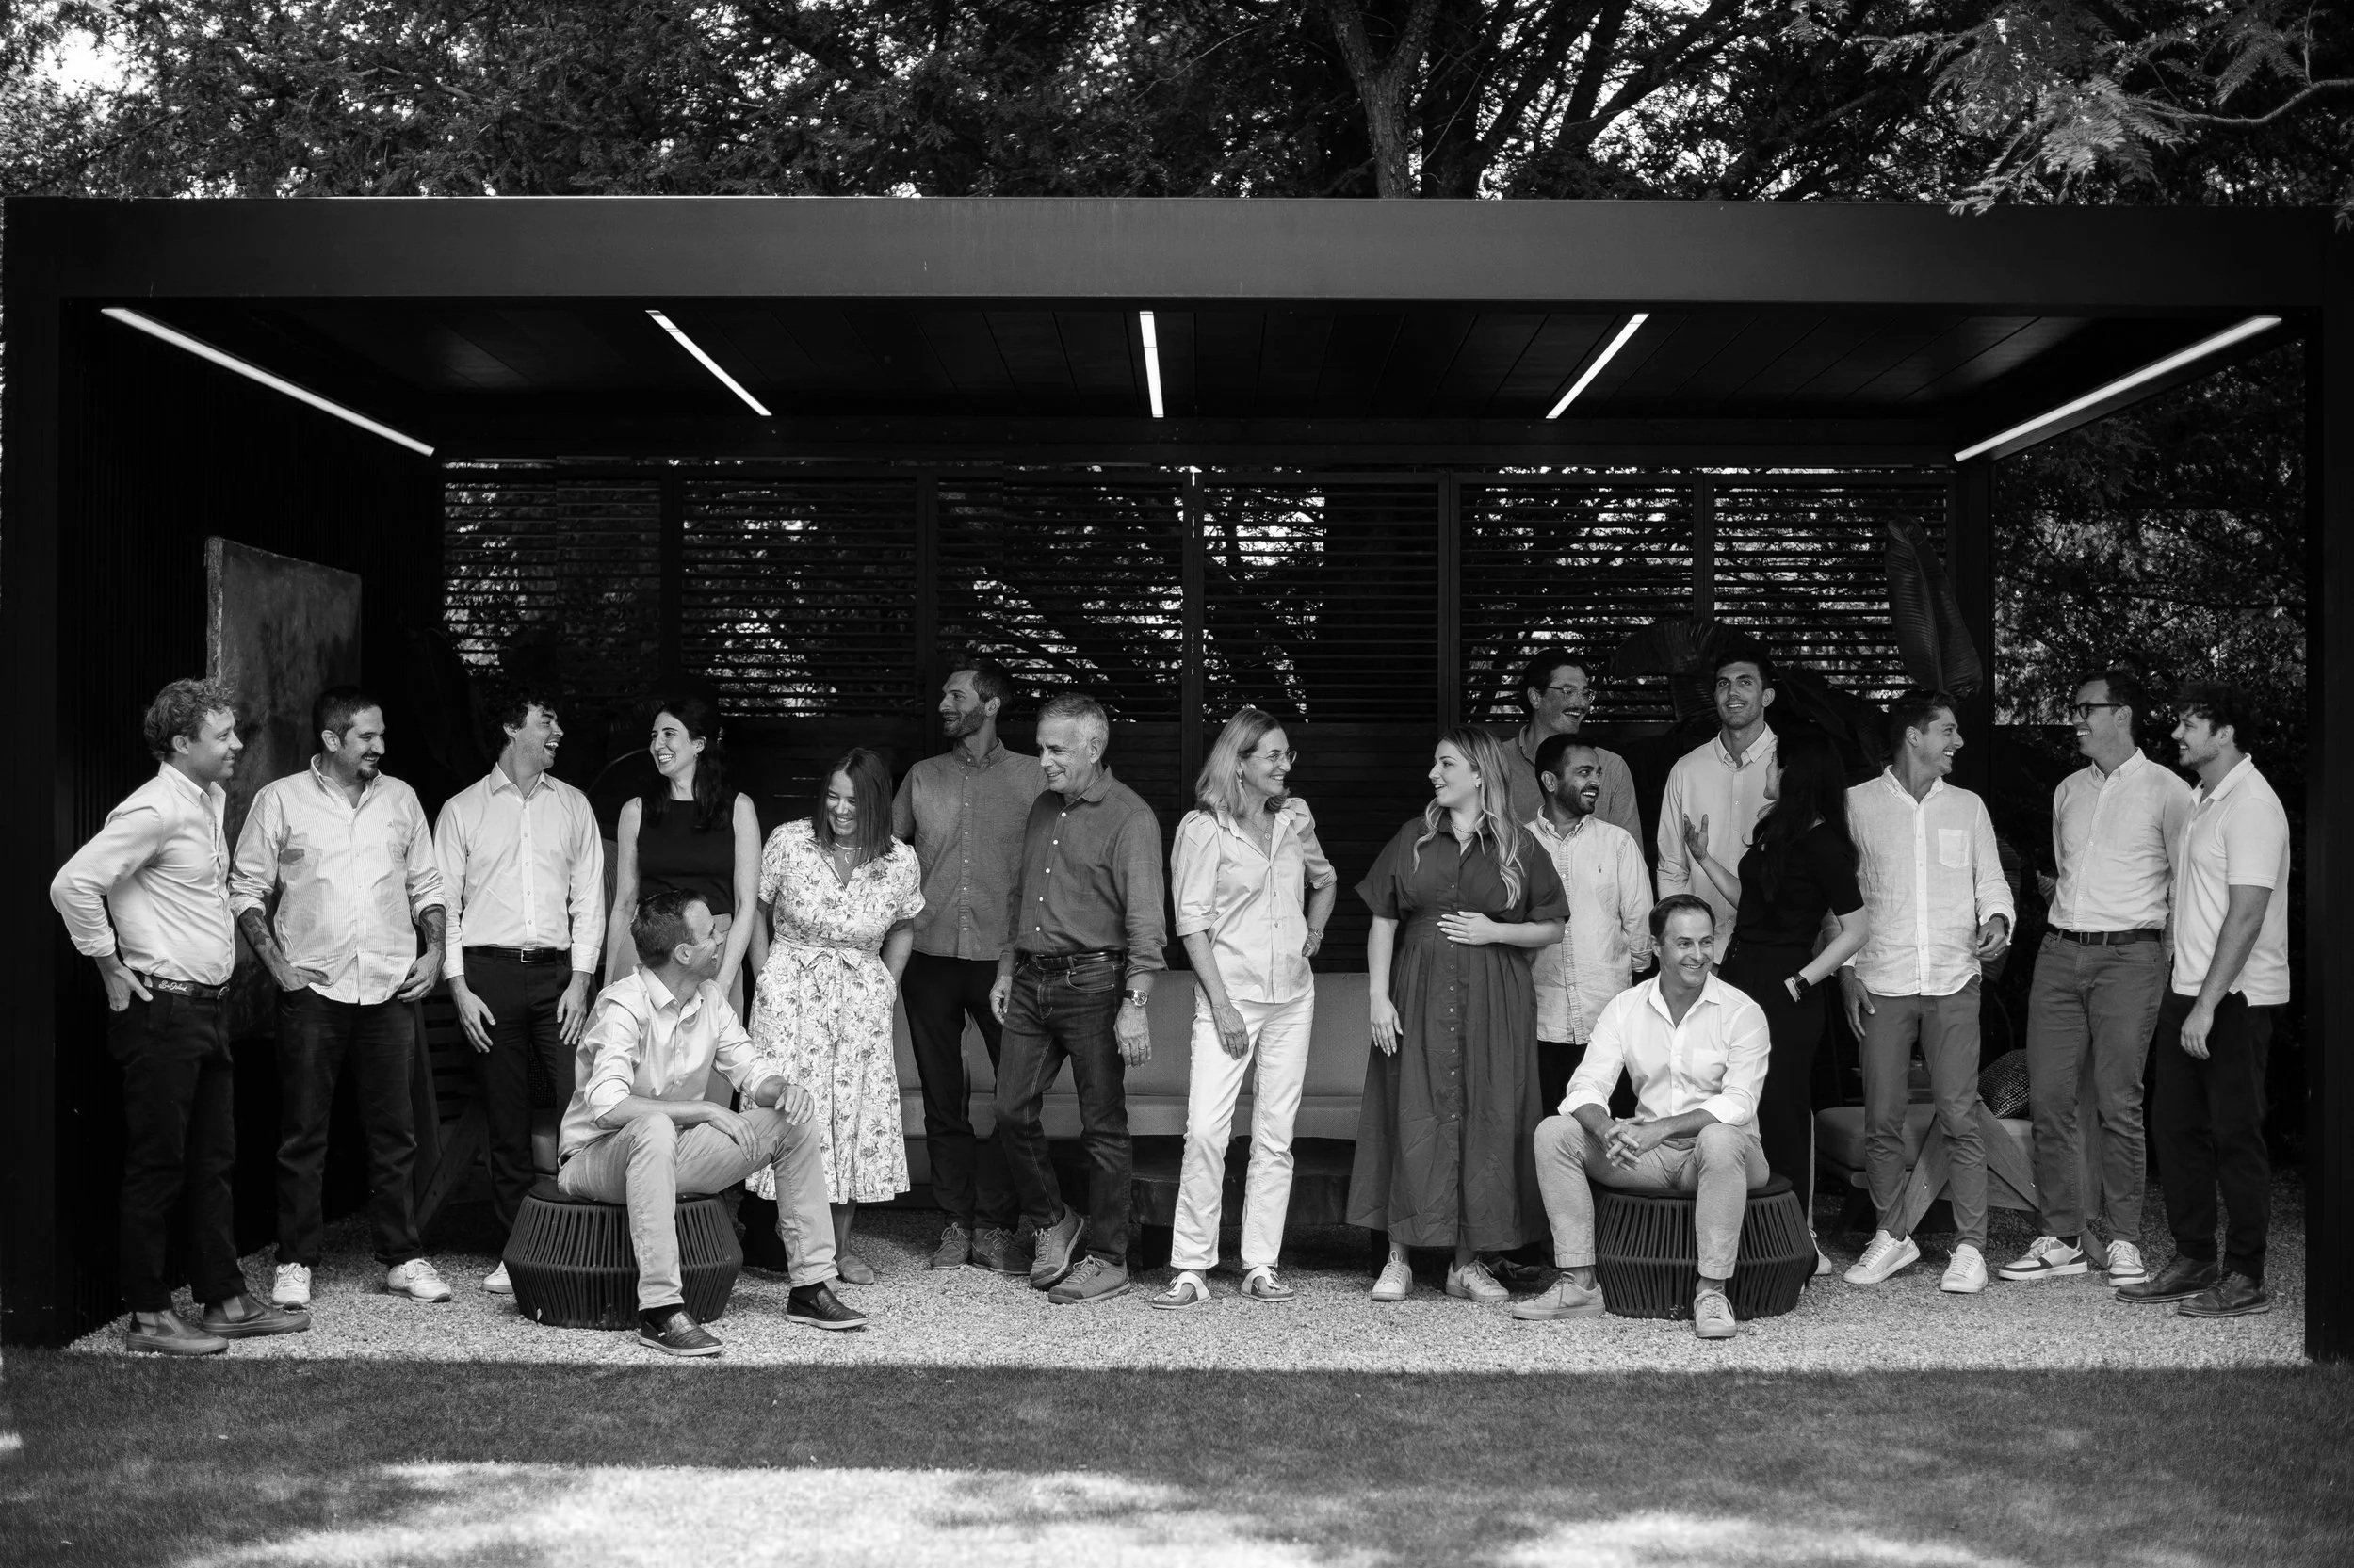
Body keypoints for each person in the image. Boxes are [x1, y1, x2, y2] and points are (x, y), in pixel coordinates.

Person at [49, 678, 308, 1354]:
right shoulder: (154, 809)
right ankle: (148, 1316)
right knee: (159, 1164)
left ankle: (224, 1299)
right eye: (223, 735)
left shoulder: (207, 799)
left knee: (213, 1162)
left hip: (206, 1011)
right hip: (162, 1011)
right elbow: (72, 883)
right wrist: (108, 963)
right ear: (181, 741)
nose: (237, 744)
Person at [560, 890, 865, 1354]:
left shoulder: (709, 999)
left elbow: (752, 1071)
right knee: (655, 1127)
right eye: (711, 934)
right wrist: (705, 1110)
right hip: (595, 1159)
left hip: (671, 1152)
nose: (722, 938)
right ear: (684, 953)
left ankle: (810, 1287)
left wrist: (784, 1089)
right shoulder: (622, 1005)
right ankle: (660, 1311)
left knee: (793, 1119)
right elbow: (608, 1106)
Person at [231, 687, 452, 1311]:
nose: (380, 746)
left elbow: (428, 886)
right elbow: (245, 889)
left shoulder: (401, 798)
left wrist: (434, 951)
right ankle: (295, 1259)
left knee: (395, 1134)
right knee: (303, 1133)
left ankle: (402, 1258)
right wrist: (280, 969)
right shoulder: (280, 800)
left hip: (388, 987)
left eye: (381, 735)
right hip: (313, 992)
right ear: (331, 739)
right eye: (367, 736)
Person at [1350, 727, 1567, 1305]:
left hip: (1494, 999)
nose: (1434, 774)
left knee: (1488, 1115)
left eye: (1445, 764)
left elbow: (1552, 926)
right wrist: (1377, 997)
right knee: (1410, 1109)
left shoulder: (1519, 846)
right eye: (1434, 763)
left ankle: (1465, 1265)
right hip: (1418, 992)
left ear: (1478, 772)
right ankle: (1398, 1258)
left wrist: (1496, 930)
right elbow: (1383, 920)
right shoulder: (1414, 837)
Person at [2001, 670, 2191, 1289]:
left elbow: (2184, 889)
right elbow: (2067, 872)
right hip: (2059, 953)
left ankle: (2124, 1239)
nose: (2075, 719)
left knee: (2118, 1101)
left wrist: (2168, 963)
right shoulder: (2067, 790)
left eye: (2086, 708)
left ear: (2122, 714)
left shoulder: (2169, 791)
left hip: (2130, 958)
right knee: (2050, 1099)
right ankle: (2061, 1238)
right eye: (2076, 708)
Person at [1513, 895, 1772, 1340]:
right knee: (1554, 1132)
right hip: (1647, 1157)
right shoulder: (1625, 1007)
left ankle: (1712, 1293)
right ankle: (1580, 1285)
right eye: (1684, 943)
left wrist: (1661, 1128)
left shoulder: (1742, 1011)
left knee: (1720, 1137)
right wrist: (1606, 1129)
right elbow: (1584, 1086)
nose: (1698, 955)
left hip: (1726, 1157)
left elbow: (1739, 1103)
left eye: (1705, 942)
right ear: (1656, 946)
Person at [1152, 708, 1338, 1311]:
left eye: (1287, 754)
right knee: (1207, 1130)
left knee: (1276, 1136)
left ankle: (1261, 1263)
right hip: (1230, 999)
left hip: (1293, 999)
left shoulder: (1295, 818)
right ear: (1239, 762)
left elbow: (1325, 880)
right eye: (1273, 756)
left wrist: (1313, 934)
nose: (1286, 765)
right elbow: (1192, 924)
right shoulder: (1202, 829)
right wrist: (1223, 1006)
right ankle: (1191, 1266)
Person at [990, 693, 1168, 1307]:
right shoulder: (1043, 807)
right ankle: (1053, 1219)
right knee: (1010, 1110)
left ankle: (1110, 1258)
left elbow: (1147, 924)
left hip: (1095, 984)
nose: (1043, 760)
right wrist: (1006, 968)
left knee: (1103, 1127)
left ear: (1093, 748)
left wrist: (1135, 1003)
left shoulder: (1130, 818)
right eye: (1041, 747)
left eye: (1056, 749)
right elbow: (1021, 898)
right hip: (1031, 980)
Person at [2119, 683, 2291, 1318]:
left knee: (2234, 1134)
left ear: (2225, 733)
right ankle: (2194, 1257)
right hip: (2189, 990)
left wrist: (2207, 1005)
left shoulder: (2252, 805)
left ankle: (2245, 1275)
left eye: (2190, 724)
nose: (2176, 734)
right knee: (2175, 1128)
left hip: (2235, 999)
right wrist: (2184, 991)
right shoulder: (2201, 799)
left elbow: (2246, 915)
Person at [1839, 690, 2015, 1294]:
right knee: (1881, 1120)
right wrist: (1845, 972)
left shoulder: (1968, 806)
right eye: (1948, 730)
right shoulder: (1856, 804)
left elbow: (1992, 882)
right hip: (1881, 981)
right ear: (1914, 736)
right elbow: (1842, 900)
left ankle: (1971, 1248)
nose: (1957, 742)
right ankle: (1892, 1235)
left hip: (1953, 979)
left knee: (1960, 1115)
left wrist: (1997, 920)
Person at [433, 689, 606, 1295]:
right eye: (545, 720)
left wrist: (581, 980)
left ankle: (580, 1238)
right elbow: (444, 907)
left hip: (559, 978)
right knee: (505, 1117)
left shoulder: (574, 805)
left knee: (576, 1107)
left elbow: (589, 899)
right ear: (512, 728)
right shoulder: (461, 810)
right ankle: (516, 1251)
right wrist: (458, 987)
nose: (558, 731)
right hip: (488, 978)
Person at [1679, 729, 1869, 1269]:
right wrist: (1703, 858)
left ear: (1792, 773)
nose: (1765, 768)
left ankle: (1796, 1237)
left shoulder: (1826, 844)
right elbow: (1753, 901)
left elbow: (1857, 929)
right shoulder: (1776, 831)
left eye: (1772, 762)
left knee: (1781, 1109)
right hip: (1742, 975)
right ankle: (1736, 1230)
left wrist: (1805, 980)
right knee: (1730, 1099)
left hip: (1787, 987)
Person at [892, 658, 1046, 1275]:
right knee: (942, 1096)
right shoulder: (921, 777)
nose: (944, 706)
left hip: (1006, 962)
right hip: (928, 957)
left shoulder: (1035, 778)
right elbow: (886, 861)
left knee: (1015, 1099)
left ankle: (997, 1223)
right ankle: (956, 1221)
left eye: (956, 696)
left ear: (992, 704)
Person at [746, 748, 921, 1284]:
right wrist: (765, 977)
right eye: (832, 797)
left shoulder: (899, 860)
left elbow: (905, 925)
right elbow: (757, 909)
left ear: (876, 803)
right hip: (790, 995)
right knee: (792, 1111)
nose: (840, 810)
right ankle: (786, 1246)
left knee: (850, 1117)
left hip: (860, 1002)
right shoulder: (789, 841)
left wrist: (887, 986)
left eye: (853, 801)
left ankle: (840, 1250)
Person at [605, 695, 762, 1016]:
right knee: (638, 1046)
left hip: (713, 949)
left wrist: (725, 980)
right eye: (654, 736)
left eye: (669, 734)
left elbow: (746, 905)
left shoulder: (739, 808)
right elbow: (624, 904)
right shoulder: (635, 811)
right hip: (647, 946)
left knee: (710, 1048)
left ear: (698, 744)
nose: (657, 744)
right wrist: (607, 985)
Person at [1526, 733, 1655, 1115]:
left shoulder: (1618, 843)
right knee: (1548, 1130)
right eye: (1584, 773)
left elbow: (1640, 928)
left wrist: (1629, 984)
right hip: (1540, 1021)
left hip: (1608, 1022)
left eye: (1597, 773)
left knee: (1612, 1132)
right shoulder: (1519, 844)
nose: (1596, 781)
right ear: (1550, 781)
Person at [1657, 646, 1780, 945]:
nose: (1732, 692)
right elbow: (1672, 867)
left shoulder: (1790, 766)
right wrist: (1680, 941)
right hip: (1702, 950)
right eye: (1723, 683)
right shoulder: (1687, 770)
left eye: (1745, 682)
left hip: (1771, 948)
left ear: (1767, 696)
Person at [1497, 647, 1642, 841]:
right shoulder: (1495, 763)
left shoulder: (1612, 767)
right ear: (1536, 697)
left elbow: (1630, 854)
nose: (1581, 704)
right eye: (1568, 691)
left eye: (1585, 693)